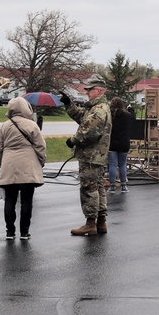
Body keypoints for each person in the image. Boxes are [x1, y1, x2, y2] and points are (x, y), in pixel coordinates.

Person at [60, 74, 112, 235]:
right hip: (96, 156)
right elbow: (82, 118)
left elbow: (89, 132)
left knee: (88, 188)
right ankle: (101, 221)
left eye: (90, 90)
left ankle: (90, 222)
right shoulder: (97, 108)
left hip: (91, 155)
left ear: (99, 91)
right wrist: (69, 104)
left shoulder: (99, 110)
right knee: (98, 187)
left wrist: (73, 140)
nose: (87, 92)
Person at [0, 97, 46, 241]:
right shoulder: (32, 125)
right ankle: (24, 232)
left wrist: (2, 163)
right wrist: (41, 161)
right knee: (26, 200)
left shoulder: (5, 126)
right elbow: (40, 146)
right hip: (28, 165)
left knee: (9, 200)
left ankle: (10, 232)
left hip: (9, 165)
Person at [108, 97, 133, 193]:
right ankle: (123, 186)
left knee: (112, 165)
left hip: (112, 144)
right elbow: (133, 118)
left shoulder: (109, 115)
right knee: (122, 165)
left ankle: (112, 186)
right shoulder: (126, 115)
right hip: (124, 144)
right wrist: (130, 109)